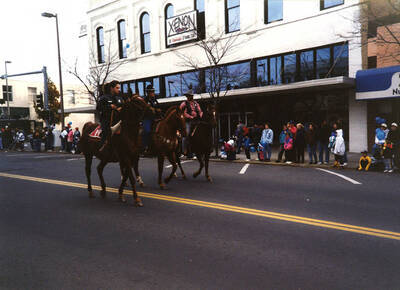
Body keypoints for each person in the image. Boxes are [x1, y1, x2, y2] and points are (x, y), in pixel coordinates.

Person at [96, 80, 123, 153]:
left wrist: (121, 108)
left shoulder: (120, 98)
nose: (118, 89)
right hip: (107, 120)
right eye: (117, 88)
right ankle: (102, 147)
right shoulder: (104, 98)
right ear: (112, 88)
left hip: (118, 120)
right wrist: (110, 106)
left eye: (119, 88)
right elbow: (98, 108)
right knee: (106, 131)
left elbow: (123, 106)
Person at [179, 89, 203, 158]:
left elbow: (199, 110)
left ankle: (196, 152)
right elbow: (182, 112)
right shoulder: (184, 104)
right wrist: (190, 117)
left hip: (196, 121)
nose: (190, 97)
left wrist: (200, 115)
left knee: (198, 135)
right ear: (187, 97)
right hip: (188, 121)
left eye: (191, 96)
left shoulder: (196, 103)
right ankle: (184, 152)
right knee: (186, 135)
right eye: (189, 96)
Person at [142, 85, 159, 154]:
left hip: (156, 117)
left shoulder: (155, 99)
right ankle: (145, 147)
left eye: (153, 91)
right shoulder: (144, 100)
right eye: (152, 92)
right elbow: (144, 110)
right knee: (147, 131)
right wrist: (150, 109)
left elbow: (158, 106)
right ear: (148, 92)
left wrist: (158, 110)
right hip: (147, 118)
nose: (153, 93)